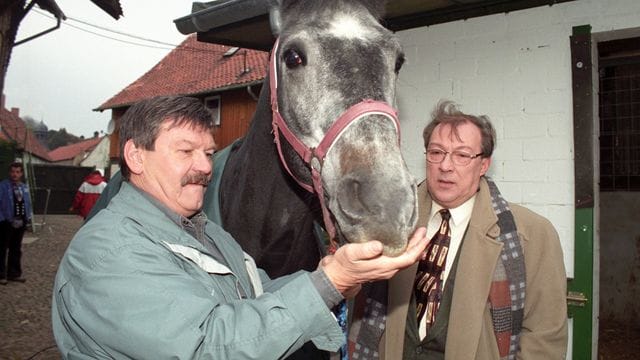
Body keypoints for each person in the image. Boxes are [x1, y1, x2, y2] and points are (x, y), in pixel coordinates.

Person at [51, 95, 429, 359]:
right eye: (185, 151)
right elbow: (207, 347)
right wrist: (327, 285)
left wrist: (335, 277)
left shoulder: (202, 230)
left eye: (208, 153)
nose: (203, 167)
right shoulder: (109, 253)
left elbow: (256, 295)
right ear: (135, 156)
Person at [380, 101, 568, 359]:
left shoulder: (532, 234)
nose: (445, 166)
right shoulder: (392, 221)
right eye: (436, 152)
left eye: (462, 155)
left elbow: (545, 337)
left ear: (483, 165)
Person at [0, 162, 32, 285]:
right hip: (6, 222)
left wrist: (27, 218)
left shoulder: (24, 187)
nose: (15, 174)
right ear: (10, 172)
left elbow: (27, 203)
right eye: (13, 171)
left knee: (16, 248)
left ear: (21, 174)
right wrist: (2, 219)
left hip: (20, 222)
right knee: (2, 249)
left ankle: (14, 274)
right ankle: (1, 274)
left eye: (18, 172)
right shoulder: (3, 186)